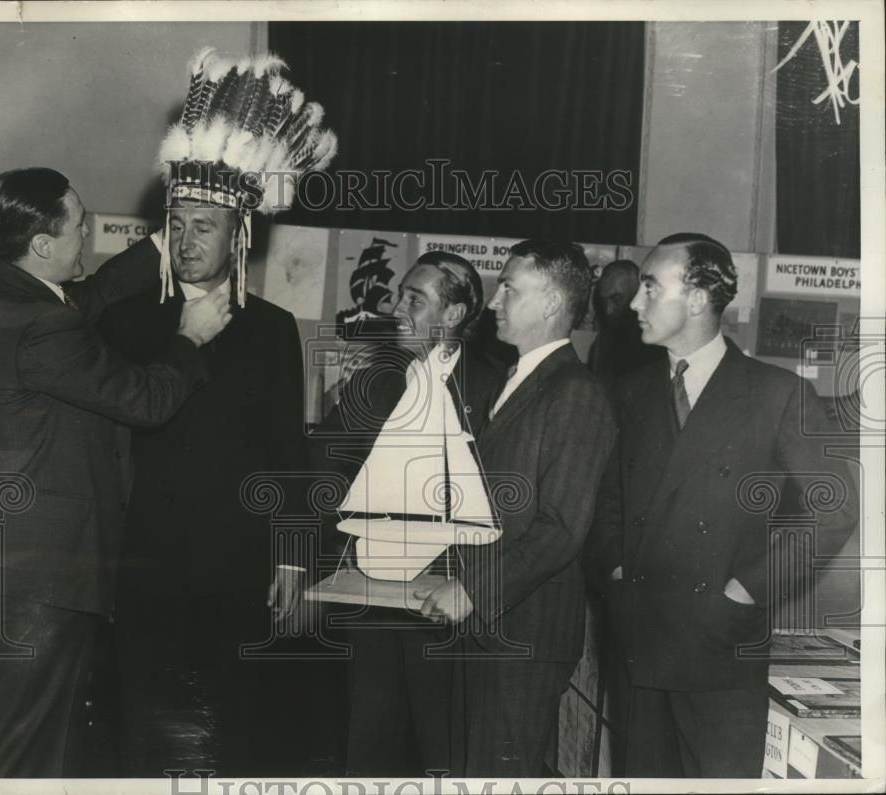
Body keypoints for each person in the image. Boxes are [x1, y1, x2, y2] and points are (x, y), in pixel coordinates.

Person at [96, 49, 337, 776]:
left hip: (237, 566)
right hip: (144, 561)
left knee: (231, 726)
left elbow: (286, 448)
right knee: (144, 726)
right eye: (180, 224)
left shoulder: (269, 328)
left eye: (207, 225)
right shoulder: (130, 320)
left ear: (239, 234)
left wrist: (293, 554)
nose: (191, 240)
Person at [0, 167, 230, 777]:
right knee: (17, 750)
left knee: (44, 743)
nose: (87, 233)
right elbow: (144, 399)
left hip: (31, 564)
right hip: (43, 572)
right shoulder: (40, 326)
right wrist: (188, 339)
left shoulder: (14, 293)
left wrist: (163, 243)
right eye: (78, 225)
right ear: (42, 245)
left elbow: (85, 301)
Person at [593, 233, 858, 777]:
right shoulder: (632, 390)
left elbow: (833, 509)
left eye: (649, 288)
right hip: (639, 638)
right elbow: (610, 500)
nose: (636, 304)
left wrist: (748, 591)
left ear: (696, 298)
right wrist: (617, 568)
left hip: (721, 646)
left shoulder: (776, 393)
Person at [420, 240, 615, 776]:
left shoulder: (575, 392)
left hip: (522, 630)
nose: (495, 300)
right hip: (489, 621)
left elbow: (562, 527)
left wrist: (472, 589)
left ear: (552, 303)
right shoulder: (518, 379)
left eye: (510, 287)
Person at [315, 251, 504, 776]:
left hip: (447, 604)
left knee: (443, 753)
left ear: (454, 314)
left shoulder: (494, 387)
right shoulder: (376, 379)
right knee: (369, 747)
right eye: (400, 295)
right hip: (370, 598)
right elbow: (321, 462)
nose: (397, 308)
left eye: (414, 300)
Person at [587, 259, 663, 390]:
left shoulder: (654, 339)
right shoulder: (603, 341)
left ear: (636, 292)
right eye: (604, 300)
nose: (608, 310)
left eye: (616, 299)